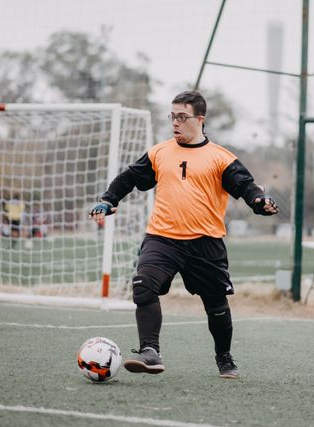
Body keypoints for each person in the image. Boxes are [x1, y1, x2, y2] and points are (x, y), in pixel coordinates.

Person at [89, 91, 277, 379]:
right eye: (172, 116)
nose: (175, 123)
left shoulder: (220, 157)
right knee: (143, 285)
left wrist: (259, 203)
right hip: (162, 238)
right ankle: (150, 352)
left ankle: (224, 357)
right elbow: (129, 178)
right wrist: (108, 199)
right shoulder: (159, 152)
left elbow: (246, 187)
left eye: (181, 117)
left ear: (199, 120)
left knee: (216, 306)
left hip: (206, 244)